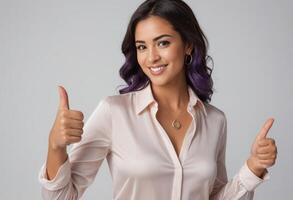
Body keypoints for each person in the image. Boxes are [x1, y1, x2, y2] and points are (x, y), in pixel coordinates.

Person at [38, 0, 278, 199]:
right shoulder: (114, 112)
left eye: (163, 43)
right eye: (142, 47)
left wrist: (254, 167)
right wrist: (55, 146)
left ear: (188, 46)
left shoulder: (214, 120)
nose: (151, 57)